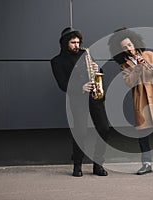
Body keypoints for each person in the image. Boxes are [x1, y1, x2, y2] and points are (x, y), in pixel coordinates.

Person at [108, 27, 153, 175]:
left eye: (129, 45)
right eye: (124, 47)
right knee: (143, 136)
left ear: (135, 43)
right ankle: (146, 164)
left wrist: (148, 65)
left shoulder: (149, 55)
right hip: (141, 103)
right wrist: (138, 68)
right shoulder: (124, 66)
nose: (128, 48)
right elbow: (129, 83)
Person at [51, 27, 110, 177]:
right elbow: (62, 85)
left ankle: (98, 164)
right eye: (73, 42)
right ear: (65, 43)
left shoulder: (85, 54)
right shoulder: (57, 61)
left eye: (78, 42)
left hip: (94, 97)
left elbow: (96, 73)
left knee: (104, 129)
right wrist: (81, 87)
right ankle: (77, 165)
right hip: (78, 99)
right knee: (80, 132)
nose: (77, 45)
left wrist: (98, 68)